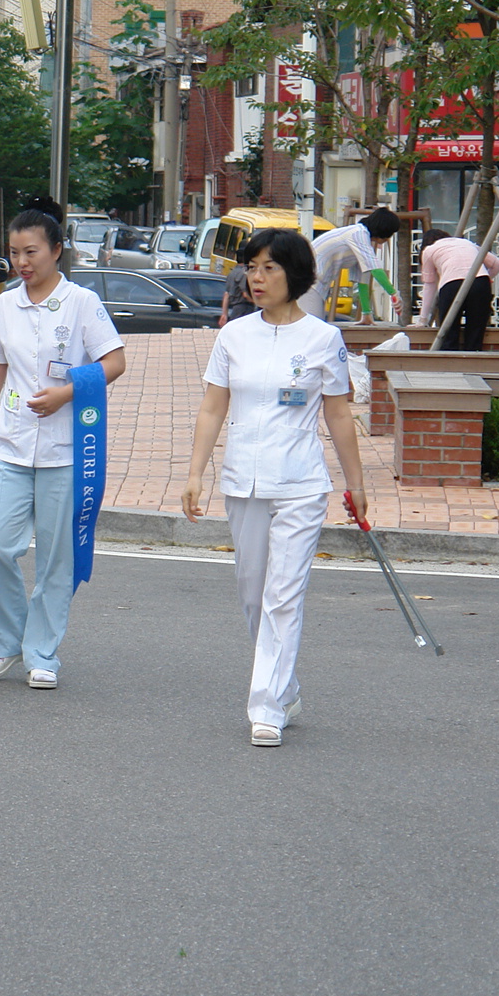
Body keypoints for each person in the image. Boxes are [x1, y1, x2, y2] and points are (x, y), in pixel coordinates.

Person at [179, 228, 368, 748]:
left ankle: (265, 707)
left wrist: (356, 484)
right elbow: (213, 406)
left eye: (268, 268)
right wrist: (196, 472)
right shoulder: (233, 336)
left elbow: (338, 413)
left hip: (301, 482)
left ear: (295, 274)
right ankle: (285, 686)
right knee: (253, 595)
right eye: (251, 268)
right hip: (243, 480)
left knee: (283, 595)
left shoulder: (323, 339)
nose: (255, 279)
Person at [0, 209, 126, 690]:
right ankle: (5, 642)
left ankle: (42, 652)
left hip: (65, 453)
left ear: (56, 250)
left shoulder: (82, 303)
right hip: (11, 448)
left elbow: (113, 360)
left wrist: (67, 392)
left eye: (31, 252)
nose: (21, 262)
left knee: (56, 558)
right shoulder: (6, 306)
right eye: (14, 253)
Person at [300, 208, 400, 325]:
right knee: (312, 328)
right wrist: (394, 293)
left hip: (315, 282)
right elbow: (375, 269)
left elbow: (363, 280)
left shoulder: (360, 239)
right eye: (391, 233)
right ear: (384, 229)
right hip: (308, 280)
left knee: (316, 327)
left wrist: (366, 313)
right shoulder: (358, 234)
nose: (389, 237)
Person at [421, 234, 499, 351]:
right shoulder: (467, 243)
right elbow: (498, 264)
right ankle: (473, 359)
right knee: (476, 329)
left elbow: (429, 285)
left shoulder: (429, 250)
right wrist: (486, 278)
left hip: (451, 283)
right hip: (479, 281)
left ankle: (450, 360)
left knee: (449, 328)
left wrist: (423, 320)